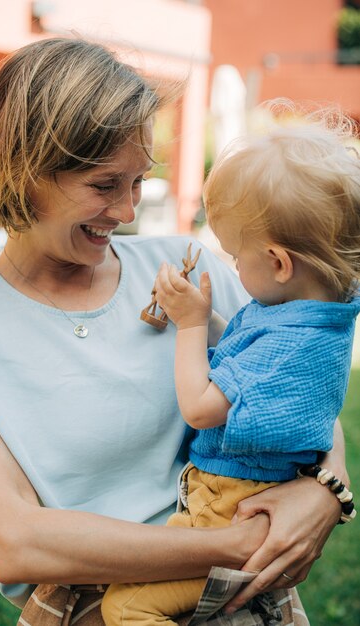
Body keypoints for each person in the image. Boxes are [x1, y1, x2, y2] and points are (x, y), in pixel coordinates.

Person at [0, 38, 349, 626]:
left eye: (138, 182)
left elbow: (301, 385)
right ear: (21, 168)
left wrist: (324, 493)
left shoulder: (187, 269)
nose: (129, 210)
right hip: (101, 607)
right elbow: (16, 540)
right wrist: (235, 548)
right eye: (105, 185)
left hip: (240, 594)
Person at [101, 107, 360, 626]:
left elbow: (201, 408)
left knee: (126, 606)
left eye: (237, 256)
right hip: (243, 497)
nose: (232, 267)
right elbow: (247, 349)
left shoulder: (290, 345)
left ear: (279, 262)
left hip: (231, 508)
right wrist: (206, 318)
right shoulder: (308, 317)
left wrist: (192, 326)